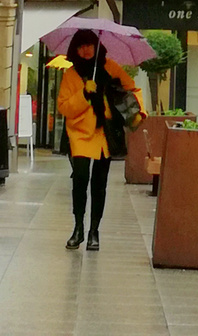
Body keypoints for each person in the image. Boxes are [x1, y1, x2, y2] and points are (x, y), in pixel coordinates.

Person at [57, 32, 145, 252]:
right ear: (74, 50)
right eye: (81, 47)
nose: (86, 50)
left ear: (97, 47)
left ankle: (94, 231)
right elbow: (64, 107)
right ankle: (78, 228)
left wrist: (138, 112)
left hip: (104, 133)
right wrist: (84, 94)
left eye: (89, 45)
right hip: (79, 134)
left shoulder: (110, 67)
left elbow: (131, 89)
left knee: (99, 183)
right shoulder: (71, 75)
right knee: (79, 178)